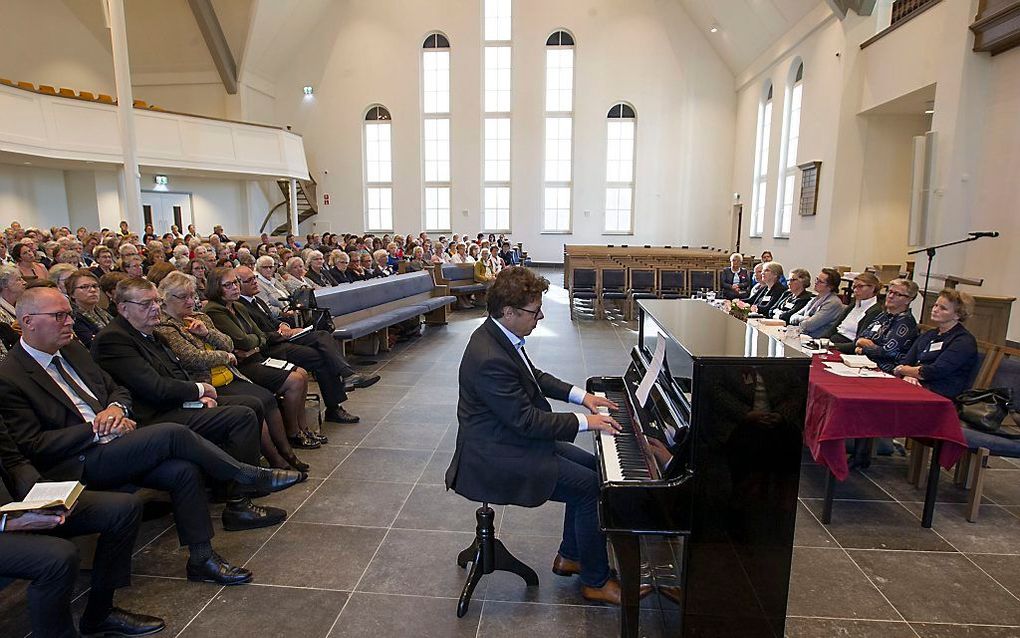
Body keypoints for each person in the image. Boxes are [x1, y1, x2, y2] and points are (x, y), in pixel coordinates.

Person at [0, 287, 303, 587]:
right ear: (28, 321)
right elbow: (33, 445)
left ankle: (202, 558)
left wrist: (116, 408)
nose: (69, 322)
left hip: (119, 440)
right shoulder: (11, 375)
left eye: (68, 314)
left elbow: (116, 389)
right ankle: (246, 475)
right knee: (173, 433)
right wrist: (96, 429)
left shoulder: (71, 350)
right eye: (59, 316)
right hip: (78, 460)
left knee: (182, 471)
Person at [445, 267, 650, 606]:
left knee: (598, 472)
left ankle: (572, 555)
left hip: (510, 440)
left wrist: (580, 396)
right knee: (589, 489)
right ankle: (595, 581)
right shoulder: (488, 357)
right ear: (507, 312)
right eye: (533, 310)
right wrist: (588, 422)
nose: (540, 316)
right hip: (495, 455)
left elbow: (533, 376)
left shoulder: (500, 336)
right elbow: (526, 421)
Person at [91, 278, 292, 530]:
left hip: (174, 404)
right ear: (122, 308)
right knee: (240, 415)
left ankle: (233, 488)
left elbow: (176, 373)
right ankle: (240, 502)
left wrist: (198, 396)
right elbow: (152, 388)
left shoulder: (150, 333)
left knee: (251, 404)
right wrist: (198, 391)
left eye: (155, 301)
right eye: (145, 303)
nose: (155, 308)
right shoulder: (114, 339)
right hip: (151, 416)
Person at [0, 417, 165, 638]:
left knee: (123, 508)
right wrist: (9, 521)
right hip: (5, 521)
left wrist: (40, 497)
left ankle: (101, 614)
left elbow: (12, 460)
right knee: (57, 558)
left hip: (14, 504)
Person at [155, 272, 310, 470]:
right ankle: (275, 460)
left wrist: (206, 333)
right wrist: (226, 356)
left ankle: (287, 452)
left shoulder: (201, 317)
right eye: (183, 297)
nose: (190, 301)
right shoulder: (166, 328)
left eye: (192, 296)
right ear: (166, 300)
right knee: (256, 403)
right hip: (206, 383)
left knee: (268, 399)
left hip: (231, 375)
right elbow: (192, 358)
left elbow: (227, 342)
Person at [203, 267, 362, 426]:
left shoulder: (252, 301)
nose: (252, 283)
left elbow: (268, 325)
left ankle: (344, 379)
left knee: (322, 336)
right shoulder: (232, 306)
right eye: (230, 284)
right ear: (217, 288)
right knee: (320, 356)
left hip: (272, 341)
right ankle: (338, 393)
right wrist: (276, 336)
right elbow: (246, 340)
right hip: (269, 348)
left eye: (237, 282)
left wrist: (284, 326)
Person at [894, 288, 978, 398]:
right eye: (935, 305)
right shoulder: (930, 334)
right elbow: (906, 360)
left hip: (940, 393)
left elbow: (934, 371)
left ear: (957, 315)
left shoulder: (963, 341)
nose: (935, 310)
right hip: (915, 384)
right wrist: (910, 376)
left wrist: (903, 370)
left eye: (943, 308)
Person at [845, 278, 919, 372]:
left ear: (908, 300)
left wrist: (862, 350)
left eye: (897, 294)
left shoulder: (905, 323)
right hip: (862, 363)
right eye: (890, 291)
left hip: (884, 369)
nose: (891, 296)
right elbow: (859, 338)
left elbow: (887, 352)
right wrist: (865, 344)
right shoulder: (883, 315)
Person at [827, 272, 882, 346]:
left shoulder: (875, 310)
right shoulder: (854, 304)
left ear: (872, 288)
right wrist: (819, 341)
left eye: (860, 286)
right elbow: (834, 328)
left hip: (846, 346)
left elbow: (858, 342)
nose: (855, 290)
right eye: (854, 287)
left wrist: (832, 346)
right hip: (834, 341)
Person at [788, 268, 845, 338]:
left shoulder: (833, 303)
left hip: (816, 341)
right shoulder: (815, 298)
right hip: (803, 336)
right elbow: (792, 317)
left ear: (830, 286)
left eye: (820, 281)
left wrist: (802, 321)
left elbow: (809, 325)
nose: (816, 282)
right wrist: (804, 318)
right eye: (817, 279)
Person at [67, 269, 112, 348]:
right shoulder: (74, 318)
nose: (92, 290)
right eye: (84, 287)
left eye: (95, 286)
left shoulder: (104, 312)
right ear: (72, 294)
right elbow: (94, 345)